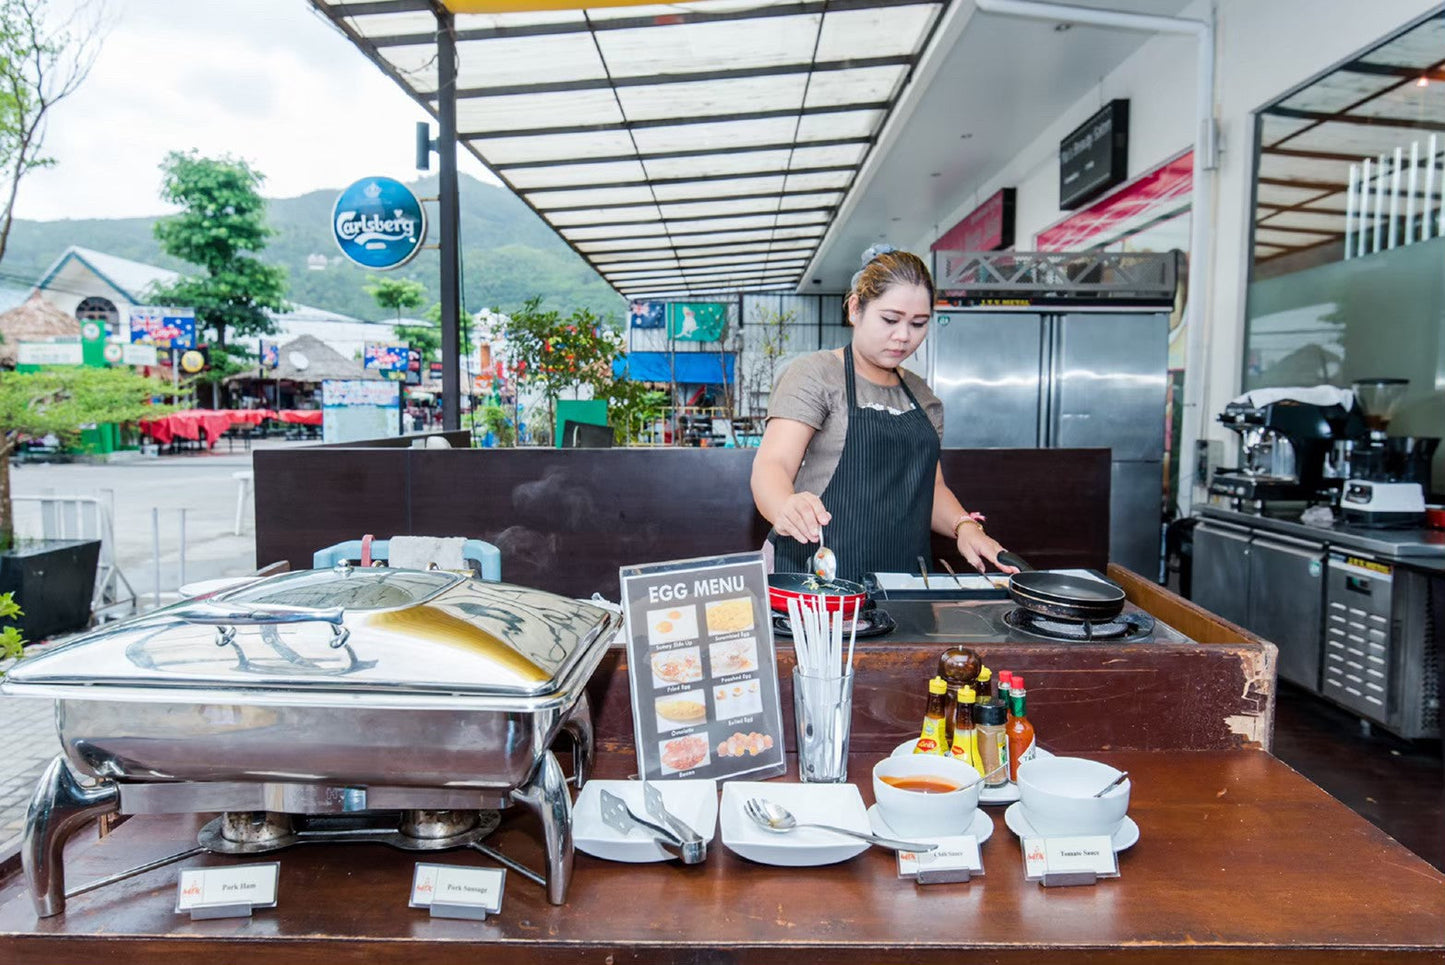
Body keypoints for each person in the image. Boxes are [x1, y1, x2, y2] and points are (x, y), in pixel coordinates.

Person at [750, 244, 1017, 583]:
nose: (903, 336)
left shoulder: (923, 396)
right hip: (817, 571)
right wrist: (784, 506)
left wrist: (964, 527)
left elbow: (930, 488)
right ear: (855, 309)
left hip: (902, 576)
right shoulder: (816, 374)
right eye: (890, 320)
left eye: (918, 323)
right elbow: (772, 466)